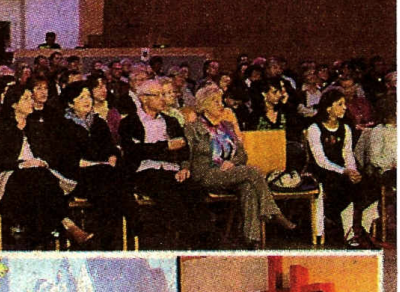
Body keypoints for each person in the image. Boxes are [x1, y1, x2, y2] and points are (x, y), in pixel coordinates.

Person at [185, 84, 295, 248]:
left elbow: (242, 154)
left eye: (221, 100)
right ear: (204, 105)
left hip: (231, 173)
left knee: (248, 186)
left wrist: (232, 162)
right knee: (252, 171)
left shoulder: (228, 127)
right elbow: (187, 155)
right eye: (215, 102)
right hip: (207, 174)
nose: (221, 105)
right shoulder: (193, 128)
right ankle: (273, 211)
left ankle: (252, 241)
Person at [0, 85, 91, 248]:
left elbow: (51, 154)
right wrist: (22, 164)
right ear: (14, 104)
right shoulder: (1, 129)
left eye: (31, 99)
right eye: (26, 99)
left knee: (39, 180)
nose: (31, 102)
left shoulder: (38, 128)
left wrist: (42, 162)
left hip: (41, 176)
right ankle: (66, 224)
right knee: (36, 178)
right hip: (11, 176)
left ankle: (36, 238)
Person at [120, 79, 213, 248]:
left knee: (195, 191)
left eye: (164, 95)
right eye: (158, 95)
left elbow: (184, 148)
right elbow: (134, 152)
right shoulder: (130, 123)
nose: (163, 99)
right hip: (144, 170)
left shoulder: (171, 121)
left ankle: (204, 243)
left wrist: (184, 167)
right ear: (144, 99)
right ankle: (182, 243)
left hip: (172, 169)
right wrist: (166, 146)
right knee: (168, 194)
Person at [52, 79, 135, 248]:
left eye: (88, 96)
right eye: (81, 97)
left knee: (109, 186)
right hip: (77, 175)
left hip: (104, 175)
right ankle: (129, 219)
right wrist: (100, 164)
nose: (87, 100)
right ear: (70, 102)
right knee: (111, 185)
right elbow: (69, 160)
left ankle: (99, 239)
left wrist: (112, 156)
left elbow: (111, 148)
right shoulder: (62, 126)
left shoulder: (98, 122)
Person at [306, 89, 380, 248]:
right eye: (340, 104)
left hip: (344, 170)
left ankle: (363, 230)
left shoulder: (345, 128)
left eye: (344, 104)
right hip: (323, 171)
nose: (345, 107)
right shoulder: (315, 128)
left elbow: (348, 154)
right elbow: (321, 160)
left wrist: (352, 170)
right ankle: (350, 234)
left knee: (371, 185)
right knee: (344, 186)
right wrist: (344, 172)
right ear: (328, 108)